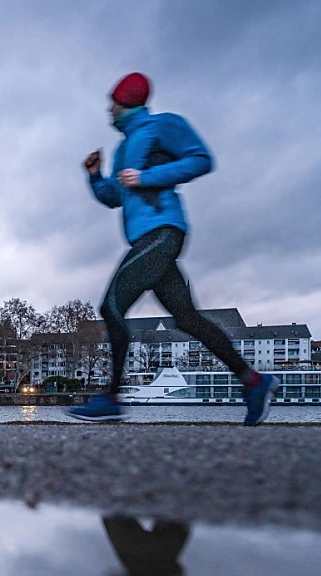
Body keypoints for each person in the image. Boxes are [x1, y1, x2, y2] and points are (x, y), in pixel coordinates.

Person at [68, 72, 277, 426]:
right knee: (187, 319)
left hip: (163, 232)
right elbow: (114, 198)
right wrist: (95, 176)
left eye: (114, 102)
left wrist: (147, 177)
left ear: (128, 102)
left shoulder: (163, 126)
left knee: (111, 306)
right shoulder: (123, 151)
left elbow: (200, 159)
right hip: (146, 240)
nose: (109, 108)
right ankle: (254, 382)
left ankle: (111, 397)